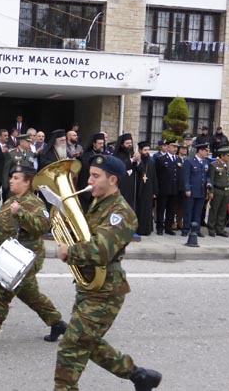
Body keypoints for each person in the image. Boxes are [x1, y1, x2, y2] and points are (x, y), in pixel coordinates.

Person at [55, 154, 162, 391]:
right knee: (88, 342)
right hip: (90, 285)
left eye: (95, 176)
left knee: (71, 348)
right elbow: (86, 236)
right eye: (90, 174)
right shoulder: (98, 202)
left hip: (106, 292)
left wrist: (70, 251)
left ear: (112, 179)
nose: (89, 180)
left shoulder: (121, 213)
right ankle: (139, 376)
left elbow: (101, 249)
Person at [0, 165, 67, 349]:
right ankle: (57, 324)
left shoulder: (35, 204)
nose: (11, 180)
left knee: (0, 292)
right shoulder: (10, 201)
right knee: (30, 295)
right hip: (10, 255)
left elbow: (42, 227)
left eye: (17, 178)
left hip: (26, 258)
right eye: (11, 177)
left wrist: (19, 212)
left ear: (27, 183)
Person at [181, 142, 212, 237]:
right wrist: (187, 189)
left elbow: (207, 175)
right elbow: (186, 177)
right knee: (188, 211)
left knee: (198, 212)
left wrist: (208, 182)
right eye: (206, 151)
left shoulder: (206, 162)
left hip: (202, 191)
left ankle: (196, 229)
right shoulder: (189, 161)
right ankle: (186, 229)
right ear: (200, 151)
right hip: (192, 190)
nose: (208, 153)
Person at [155, 140, 182, 235]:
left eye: (176, 147)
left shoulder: (178, 159)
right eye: (173, 147)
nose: (175, 149)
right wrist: (156, 188)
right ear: (168, 147)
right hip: (164, 189)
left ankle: (168, 227)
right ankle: (159, 227)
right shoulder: (161, 159)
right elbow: (157, 175)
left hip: (174, 189)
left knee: (171, 210)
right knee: (161, 209)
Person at [207, 147, 229, 237]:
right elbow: (211, 180)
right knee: (214, 210)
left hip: (227, 191)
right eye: (228, 155)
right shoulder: (214, 165)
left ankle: (220, 229)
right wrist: (211, 191)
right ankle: (211, 228)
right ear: (222, 156)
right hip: (217, 190)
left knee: (223, 211)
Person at [77, 133, 105, 212]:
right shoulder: (86, 156)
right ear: (94, 144)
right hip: (88, 192)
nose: (102, 145)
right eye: (99, 143)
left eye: (103, 143)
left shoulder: (105, 155)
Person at [135, 141, 158, 235]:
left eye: (148, 150)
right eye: (145, 150)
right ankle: (139, 229)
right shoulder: (136, 161)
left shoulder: (151, 162)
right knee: (139, 210)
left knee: (147, 210)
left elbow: (154, 177)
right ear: (140, 151)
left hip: (148, 190)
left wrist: (155, 191)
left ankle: (146, 230)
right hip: (138, 189)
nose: (147, 152)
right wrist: (138, 161)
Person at [112, 133, 139, 209]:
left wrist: (138, 161)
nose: (130, 145)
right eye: (127, 143)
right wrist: (132, 160)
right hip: (122, 186)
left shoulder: (132, 153)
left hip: (132, 187)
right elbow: (121, 166)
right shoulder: (117, 155)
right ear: (122, 145)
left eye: (131, 143)